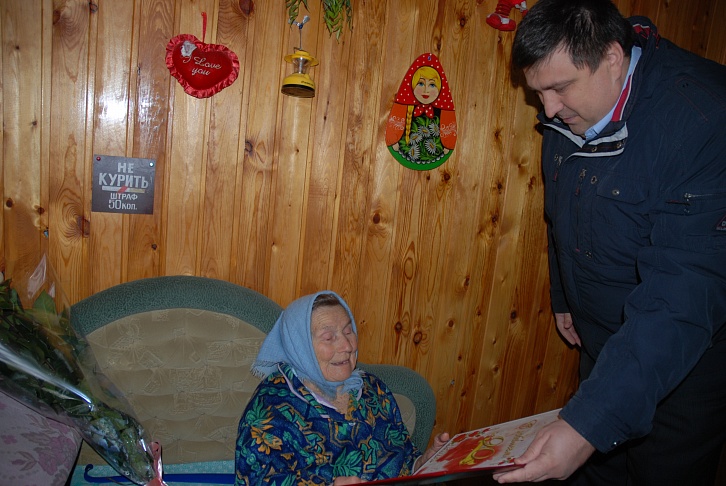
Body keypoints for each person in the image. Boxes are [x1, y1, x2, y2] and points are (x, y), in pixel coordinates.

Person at [496, 0, 726, 484]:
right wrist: (566, 296)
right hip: (603, 347)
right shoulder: (570, 113)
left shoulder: (708, 118)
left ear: (613, 58)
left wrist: (589, 423)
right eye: (539, 93)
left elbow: (685, 290)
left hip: (684, 362)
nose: (548, 110)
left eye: (559, 88)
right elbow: (560, 213)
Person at [234, 291, 449, 485]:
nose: (347, 346)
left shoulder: (373, 390)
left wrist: (424, 462)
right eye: (329, 338)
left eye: (348, 331)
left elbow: (402, 458)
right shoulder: (270, 409)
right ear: (300, 346)